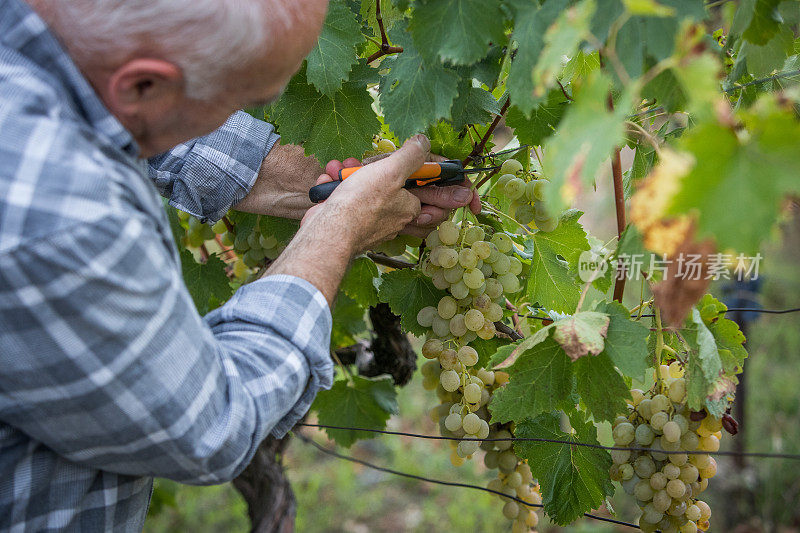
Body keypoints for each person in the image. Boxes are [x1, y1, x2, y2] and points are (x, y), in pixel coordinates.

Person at [0, 0, 480, 530]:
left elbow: (133, 109)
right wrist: (336, 229)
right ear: (142, 87)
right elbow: (209, 426)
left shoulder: (52, 40)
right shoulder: (59, 219)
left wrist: (306, 184)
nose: (250, 114)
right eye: (247, 101)